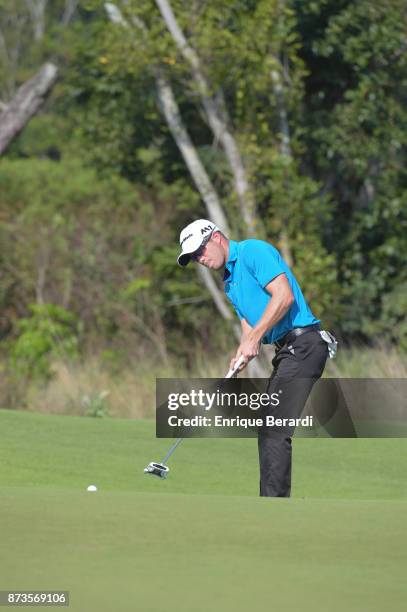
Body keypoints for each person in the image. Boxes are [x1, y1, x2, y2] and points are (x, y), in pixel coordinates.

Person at [177, 218, 335, 497]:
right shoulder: (229, 282)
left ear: (215, 237)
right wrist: (243, 349)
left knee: (274, 426)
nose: (199, 258)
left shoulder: (252, 251)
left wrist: (254, 337)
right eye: (193, 257)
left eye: (200, 250)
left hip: (305, 343)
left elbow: (283, 296)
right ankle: (271, 503)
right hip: (287, 350)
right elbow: (250, 323)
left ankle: (272, 508)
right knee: (270, 425)